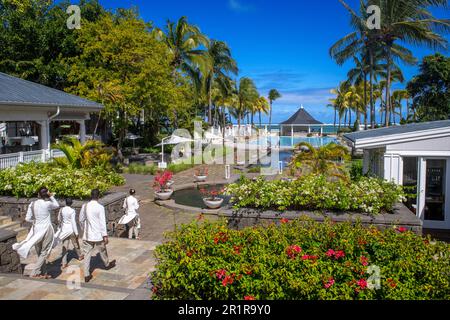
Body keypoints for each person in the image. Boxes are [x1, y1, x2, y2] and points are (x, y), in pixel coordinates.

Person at [12, 187, 60, 279]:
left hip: (36, 230)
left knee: (40, 253)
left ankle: (43, 273)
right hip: (46, 229)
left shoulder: (32, 204)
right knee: (44, 252)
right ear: (46, 194)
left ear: (38, 194)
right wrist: (51, 196)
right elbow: (57, 205)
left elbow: (27, 219)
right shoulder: (48, 204)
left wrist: (35, 221)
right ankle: (34, 272)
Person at [79, 189, 116, 283]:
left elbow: (81, 220)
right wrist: (105, 235)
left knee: (87, 255)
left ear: (91, 195)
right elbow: (102, 222)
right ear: (98, 196)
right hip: (98, 235)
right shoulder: (100, 207)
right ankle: (107, 265)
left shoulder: (85, 206)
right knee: (102, 250)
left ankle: (87, 274)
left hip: (88, 235)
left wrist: (84, 229)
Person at [54, 198, 83, 269]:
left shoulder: (61, 210)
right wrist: (76, 232)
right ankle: (80, 256)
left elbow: (59, 219)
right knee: (76, 244)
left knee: (65, 247)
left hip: (64, 230)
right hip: (71, 230)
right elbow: (73, 222)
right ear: (71, 203)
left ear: (65, 202)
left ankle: (64, 263)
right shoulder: (72, 211)